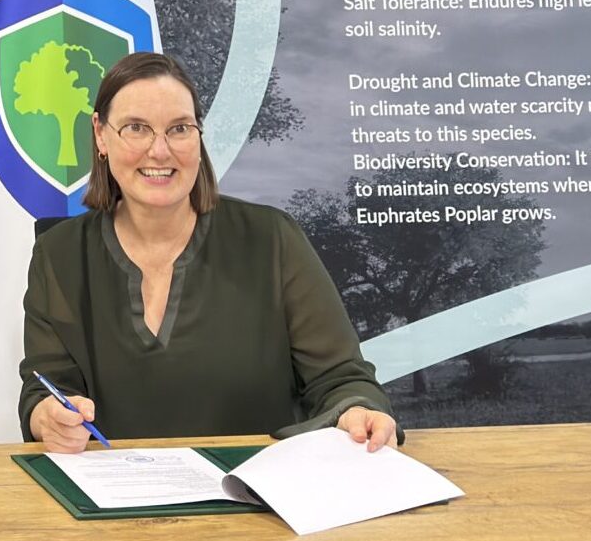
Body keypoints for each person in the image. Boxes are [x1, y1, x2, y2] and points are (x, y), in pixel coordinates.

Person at [21, 51, 399, 452]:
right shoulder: (58, 254)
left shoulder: (273, 239)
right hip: (115, 489)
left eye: (179, 129)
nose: (160, 150)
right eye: (136, 128)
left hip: (254, 487)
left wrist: (357, 411)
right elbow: (45, 388)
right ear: (100, 134)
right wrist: (48, 417)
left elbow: (341, 378)